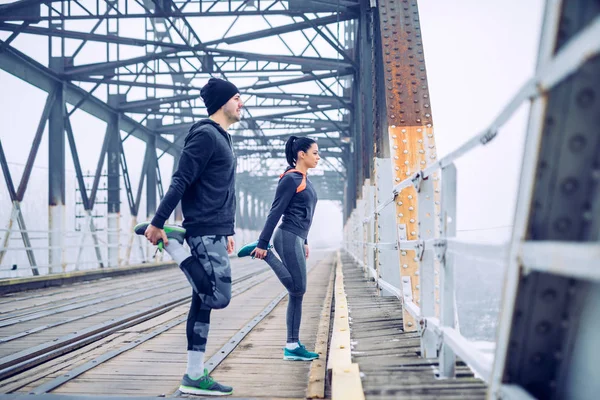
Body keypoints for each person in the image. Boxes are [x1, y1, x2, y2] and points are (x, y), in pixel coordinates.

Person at [135, 77, 242, 396]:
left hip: (215, 229)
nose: (242, 102)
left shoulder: (222, 137)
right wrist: (158, 222)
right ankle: (176, 248)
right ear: (222, 102)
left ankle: (193, 376)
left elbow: (222, 188)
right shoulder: (206, 136)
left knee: (202, 302)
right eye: (237, 97)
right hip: (204, 230)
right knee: (218, 296)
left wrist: (230, 230)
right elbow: (180, 180)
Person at [237, 135, 320, 361]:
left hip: (296, 238)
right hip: (286, 236)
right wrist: (264, 243)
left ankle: (292, 346)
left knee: (297, 293)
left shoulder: (305, 179)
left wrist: (305, 241)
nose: (318, 157)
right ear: (301, 155)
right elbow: (276, 212)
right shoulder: (291, 179)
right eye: (315, 153)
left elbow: (305, 215)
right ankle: (265, 255)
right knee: (298, 289)